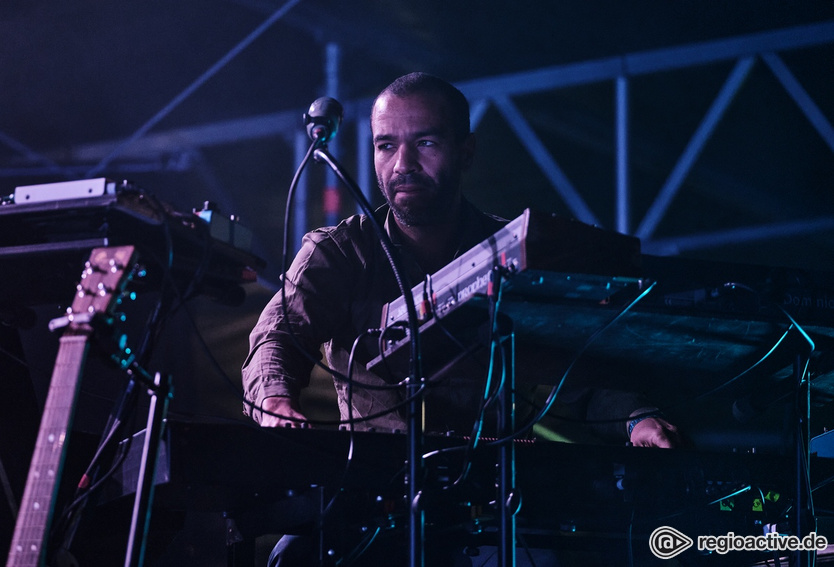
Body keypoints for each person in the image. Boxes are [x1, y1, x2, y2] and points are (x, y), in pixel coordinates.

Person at [241, 72, 681, 566]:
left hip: (498, 496)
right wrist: (275, 398)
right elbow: (277, 333)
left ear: (466, 151)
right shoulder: (341, 253)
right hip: (373, 494)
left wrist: (635, 419)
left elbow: (570, 365)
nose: (402, 164)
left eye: (425, 142)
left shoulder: (513, 249)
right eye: (386, 145)